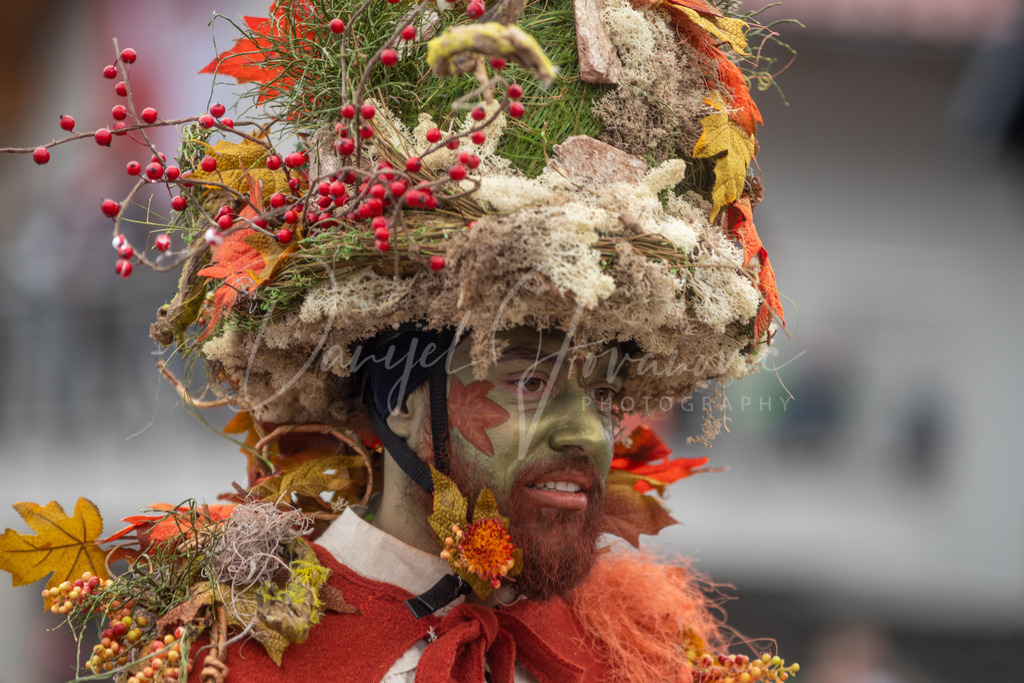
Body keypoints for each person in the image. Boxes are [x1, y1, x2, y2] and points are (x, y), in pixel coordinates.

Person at [0, 0, 799, 680]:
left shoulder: (642, 656)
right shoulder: (230, 654)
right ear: (404, 399)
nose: (587, 429)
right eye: (526, 380)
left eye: (603, 393)